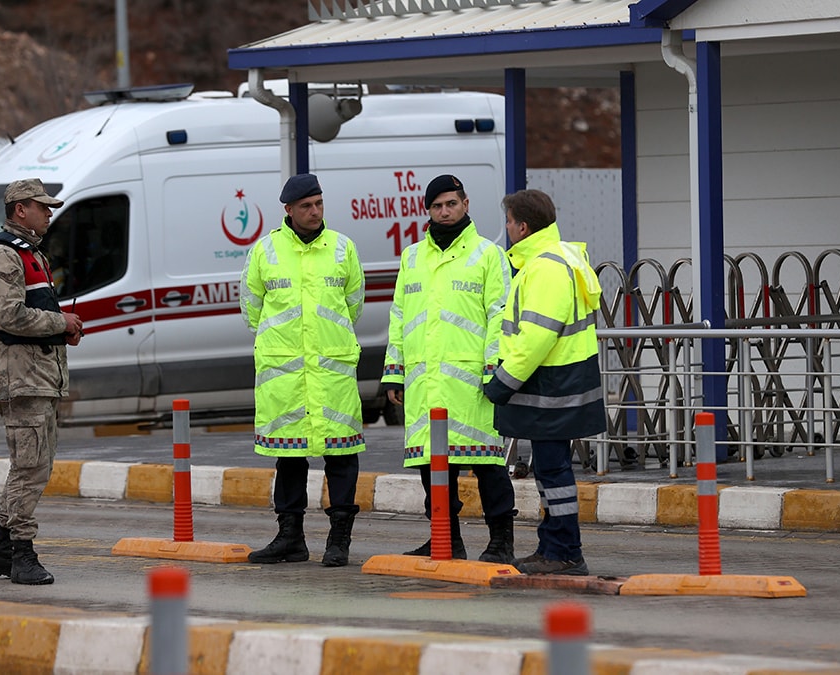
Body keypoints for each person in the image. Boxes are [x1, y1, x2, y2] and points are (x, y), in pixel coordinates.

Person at [382, 174, 518, 563]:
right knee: (433, 465)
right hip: (425, 382)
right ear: (427, 210)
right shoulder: (412, 258)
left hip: (473, 384)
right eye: (437, 206)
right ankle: (445, 537)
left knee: (488, 463)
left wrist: (495, 370)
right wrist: (394, 370)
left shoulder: (488, 255)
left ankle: (501, 542)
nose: (445, 212)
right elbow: (399, 317)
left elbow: (500, 315)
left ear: (465, 204)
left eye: (451, 204)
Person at [239, 173, 366, 567]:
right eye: (307, 206)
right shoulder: (265, 251)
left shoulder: (343, 248)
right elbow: (251, 309)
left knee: (341, 455)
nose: (315, 211)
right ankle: (290, 538)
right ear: (289, 210)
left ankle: (339, 540)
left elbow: (354, 304)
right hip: (286, 375)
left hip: (331, 372)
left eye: (319, 204)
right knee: (289, 458)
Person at [483, 189, 604, 576]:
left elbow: (536, 338)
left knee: (553, 473)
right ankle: (554, 546)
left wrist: (502, 383)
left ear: (522, 227)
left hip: (552, 386)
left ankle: (564, 551)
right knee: (552, 472)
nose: (506, 228)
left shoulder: (544, 267)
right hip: (562, 382)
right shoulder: (556, 258)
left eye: (508, 222)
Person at [0, 178, 83, 585]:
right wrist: (60, 322)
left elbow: (28, 314)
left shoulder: (29, 252)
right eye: (42, 206)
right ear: (20, 209)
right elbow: (8, 315)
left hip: (36, 374)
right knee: (30, 467)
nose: (49, 213)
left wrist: (61, 331)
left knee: (34, 465)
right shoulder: (3, 256)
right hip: (19, 376)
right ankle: (21, 553)